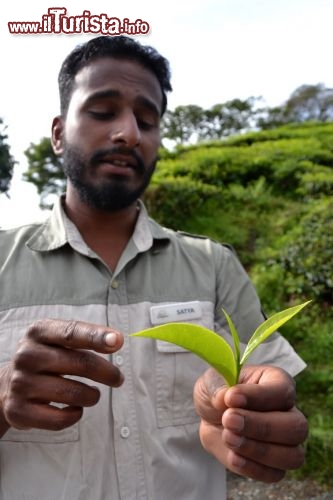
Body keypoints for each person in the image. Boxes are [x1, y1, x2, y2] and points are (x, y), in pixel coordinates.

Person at [0, 35, 308, 500]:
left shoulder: (214, 265)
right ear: (59, 132)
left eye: (147, 119)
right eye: (102, 112)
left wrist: (248, 425)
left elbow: (268, 389)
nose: (129, 133)